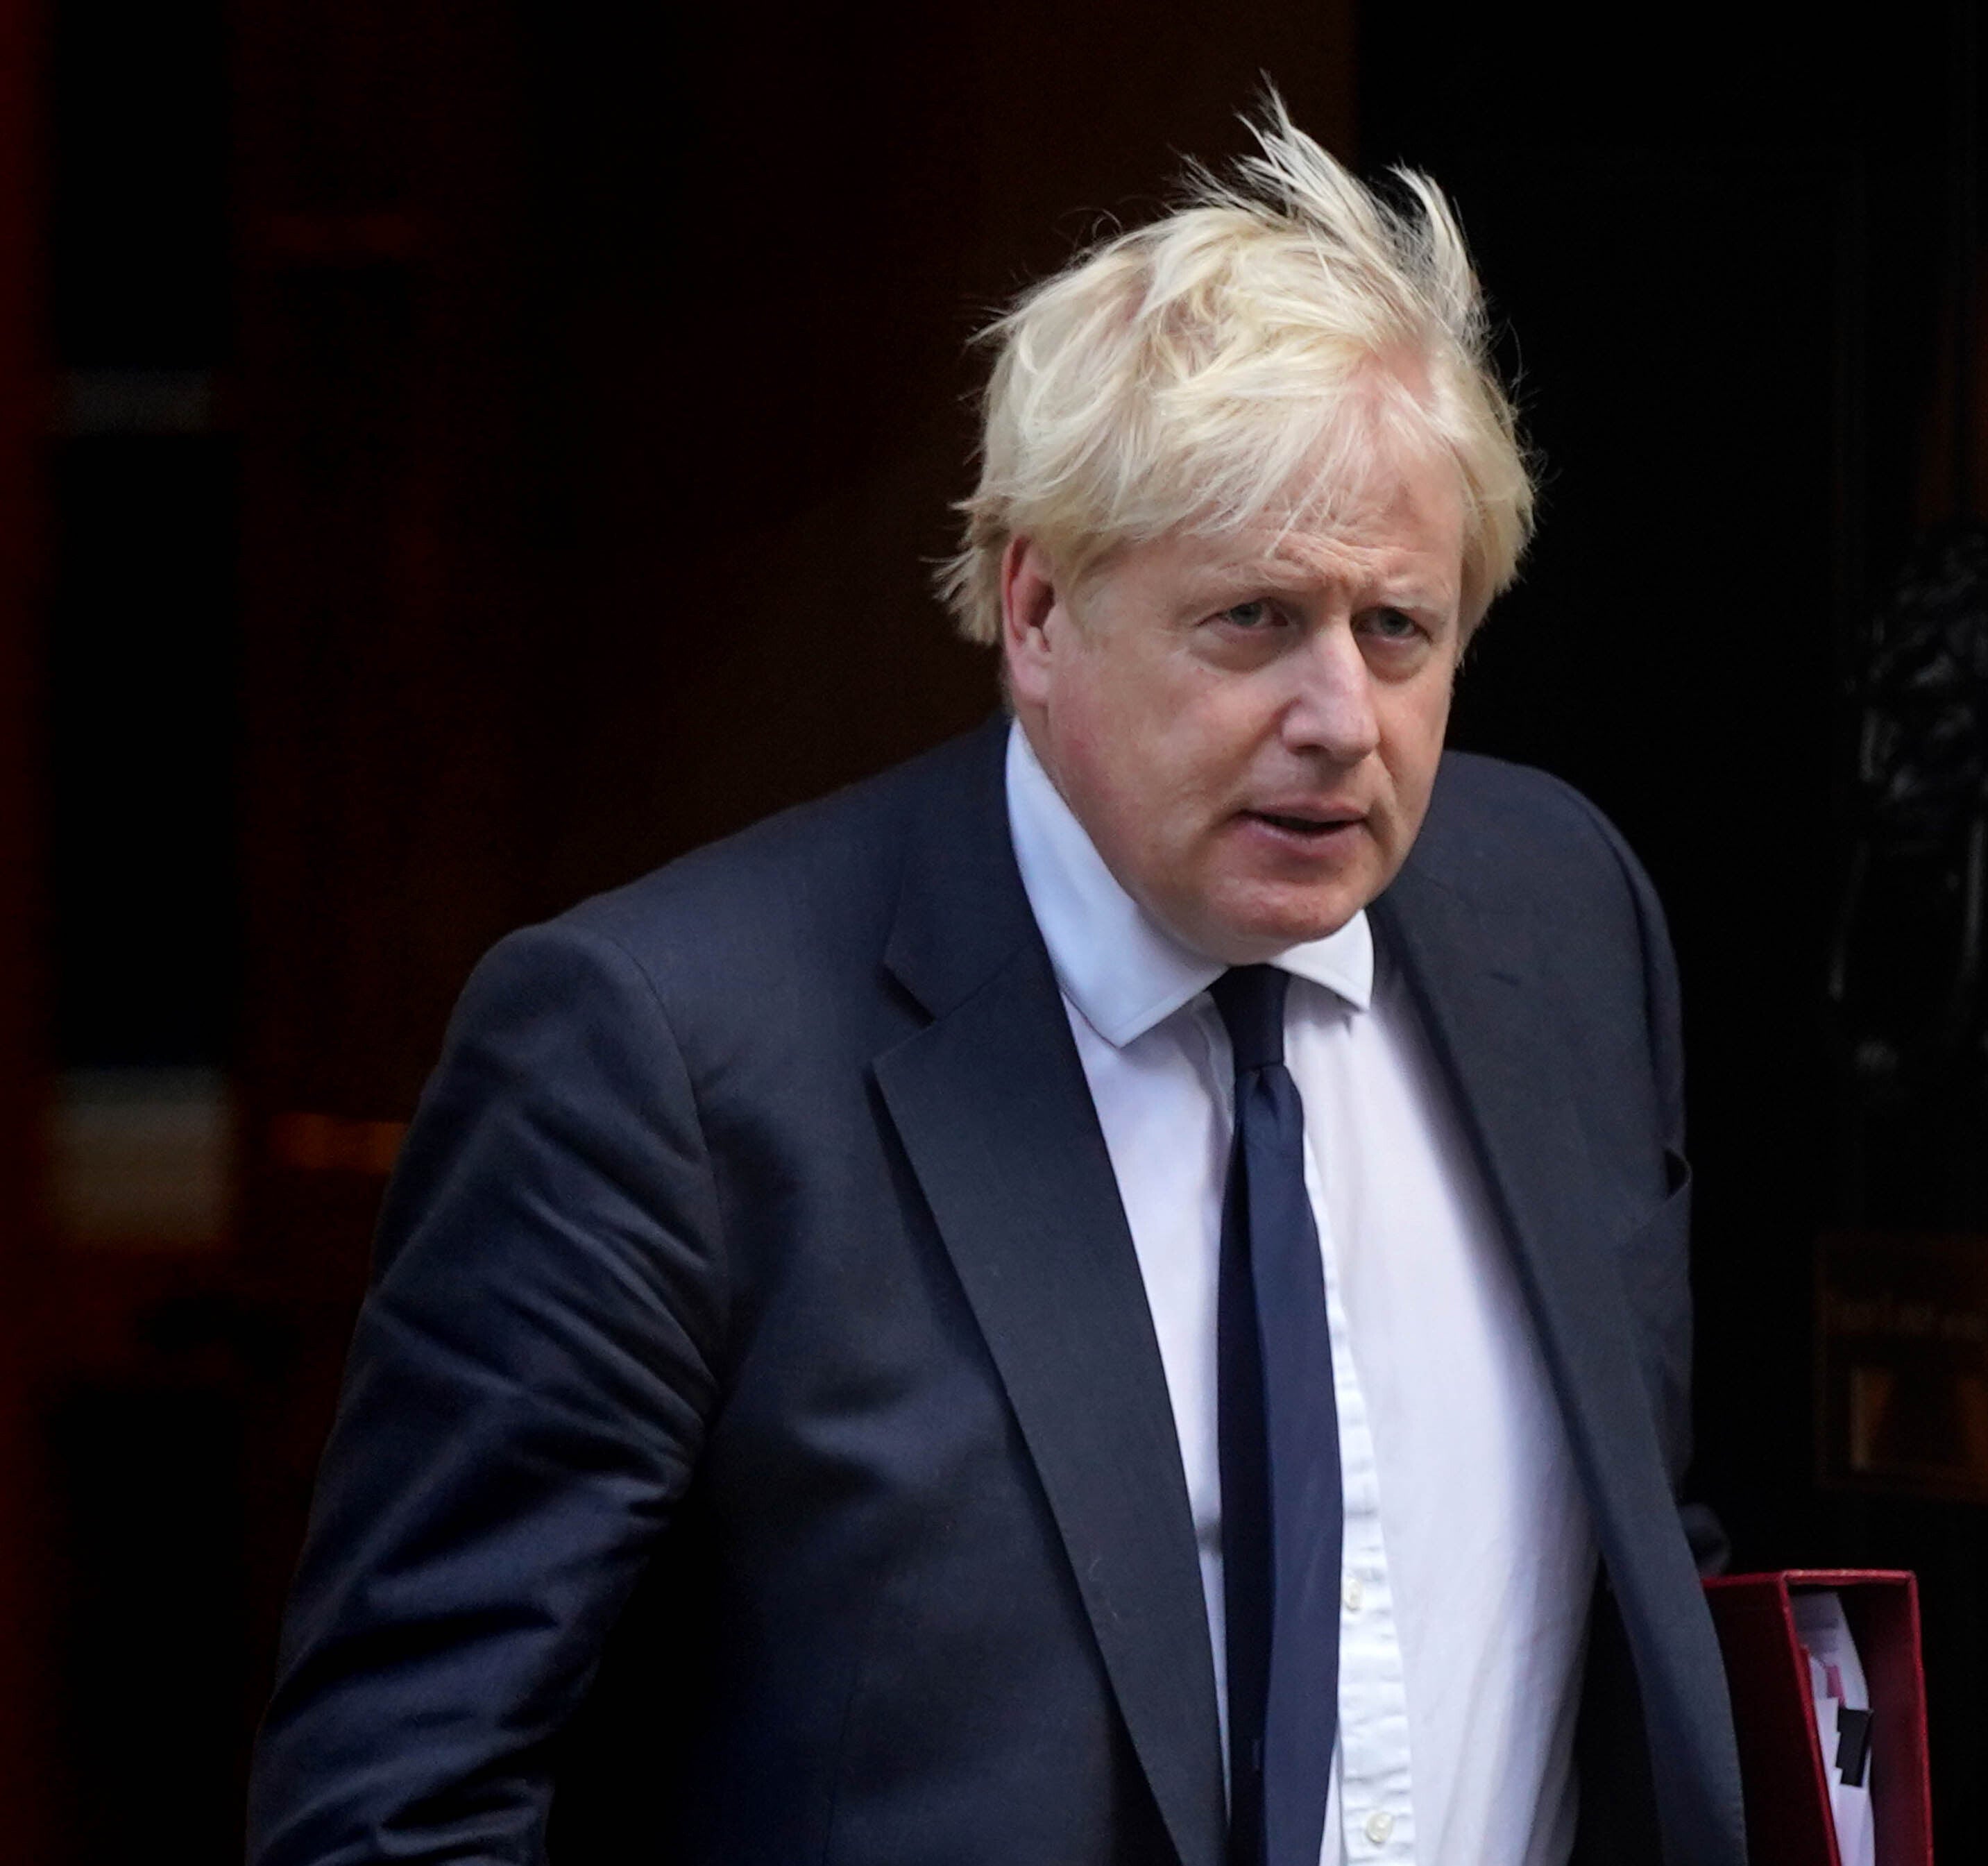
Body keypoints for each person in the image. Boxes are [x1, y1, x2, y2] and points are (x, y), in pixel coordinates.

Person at [248, 104, 1746, 1866]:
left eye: (1396, 628)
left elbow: (1638, 1561)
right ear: (1036, 613)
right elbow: (395, 1810)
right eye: (1254, 620)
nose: (1340, 716)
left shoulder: (1556, 919)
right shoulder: (661, 1059)